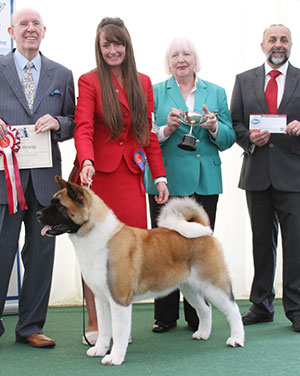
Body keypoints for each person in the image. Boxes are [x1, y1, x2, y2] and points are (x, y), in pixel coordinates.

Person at [73, 17, 169, 344]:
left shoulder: (143, 82)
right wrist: (86, 159)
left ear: (127, 46)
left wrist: (159, 176)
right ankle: (96, 323)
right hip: (96, 177)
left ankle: (120, 328)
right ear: (99, 49)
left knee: (128, 254)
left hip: (130, 176)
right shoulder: (88, 82)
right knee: (94, 252)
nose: (113, 50)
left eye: (118, 44)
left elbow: (148, 135)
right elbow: (83, 126)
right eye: (106, 45)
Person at [145, 36, 236, 333]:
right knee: (163, 248)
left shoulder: (217, 92)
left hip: (205, 180)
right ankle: (165, 317)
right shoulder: (155, 92)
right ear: (168, 62)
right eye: (175, 55)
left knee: (197, 248)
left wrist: (213, 127)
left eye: (186, 54)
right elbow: (146, 135)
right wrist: (167, 129)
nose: (181, 59)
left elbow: (229, 138)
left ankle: (199, 317)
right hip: (167, 180)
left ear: (196, 60)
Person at [0, 8, 75, 348]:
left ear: (44, 31)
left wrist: (60, 123)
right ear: (11, 30)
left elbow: (73, 120)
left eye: (35, 25)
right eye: (23, 24)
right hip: (5, 182)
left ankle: (31, 326)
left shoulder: (61, 74)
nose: (29, 29)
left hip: (46, 183)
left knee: (42, 254)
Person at [230, 24, 300, 332]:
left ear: (291, 45)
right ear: (262, 45)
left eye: (284, 39)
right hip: (257, 174)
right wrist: (248, 139)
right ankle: (261, 305)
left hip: (294, 176)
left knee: (296, 245)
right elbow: (234, 122)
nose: (278, 44)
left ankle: (296, 309)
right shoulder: (244, 81)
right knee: (262, 243)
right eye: (273, 39)